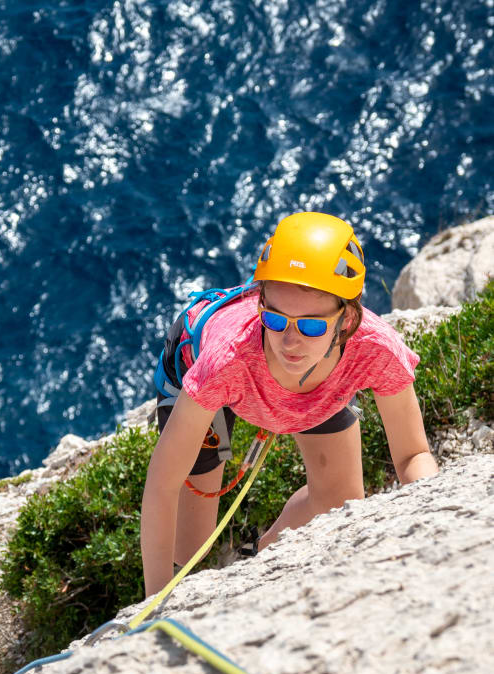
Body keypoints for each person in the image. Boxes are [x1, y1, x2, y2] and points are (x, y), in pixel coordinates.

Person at [141, 211, 438, 596]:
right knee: (189, 546)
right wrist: (155, 601)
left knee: (339, 503)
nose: (290, 342)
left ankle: (258, 563)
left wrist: (434, 519)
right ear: (260, 303)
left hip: (313, 385)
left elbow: (412, 455)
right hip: (204, 374)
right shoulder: (226, 362)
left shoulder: (375, 351)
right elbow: (162, 484)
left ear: (347, 321)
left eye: (312, 325)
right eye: (275, 319)